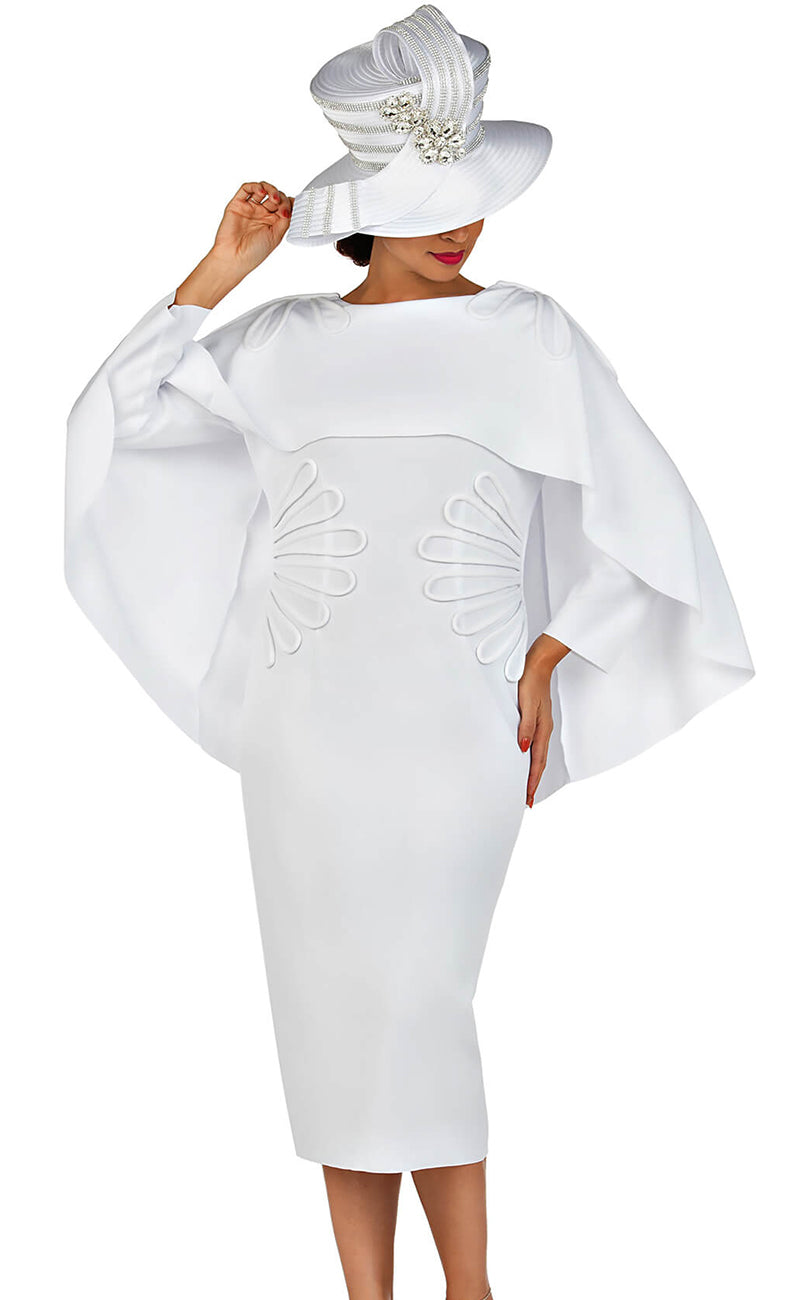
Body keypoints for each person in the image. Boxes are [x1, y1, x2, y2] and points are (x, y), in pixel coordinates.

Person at [63, 6, 755, 1299]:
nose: (463, 229)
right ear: (362, 212)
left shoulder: (530, 334)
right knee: (330, 1014)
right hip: (305, 737)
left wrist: (555, 648)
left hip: (459, 729)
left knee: (422, 1000)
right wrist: (216, 272)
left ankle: (473, 1291)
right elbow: (111, 425)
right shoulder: (280, 344)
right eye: (431, 206)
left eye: (473, 203)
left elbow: (647, 517)